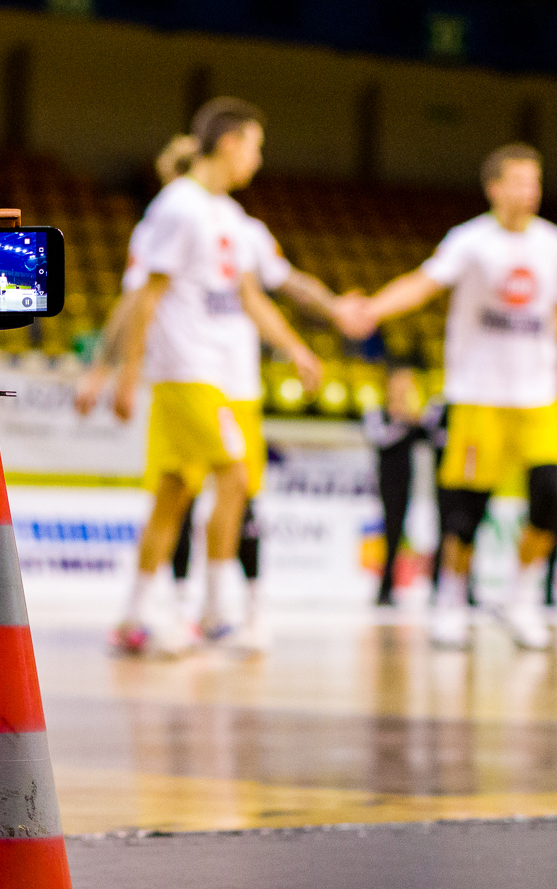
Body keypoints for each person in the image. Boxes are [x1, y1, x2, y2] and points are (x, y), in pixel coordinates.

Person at [80, 131, 332, 646]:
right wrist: (118, 374)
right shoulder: (176, 210)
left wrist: (297, 347)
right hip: (188, 370)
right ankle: (214, 611)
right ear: (228, 145)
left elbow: (253, 294)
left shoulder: (233, 219)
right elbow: (141, 297)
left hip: (230, 377)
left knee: (175, 492)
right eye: (254, 146)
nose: (258, 160)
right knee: (233, 476)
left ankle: (135, 615)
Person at [337, 143, 557, 650]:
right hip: (478, 393)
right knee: (465, 513)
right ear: (494, 188)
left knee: (548, 499)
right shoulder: (470, 241)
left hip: (537, 395)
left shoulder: (555, 243)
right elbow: (424, 284)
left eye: (535, 182)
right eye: (519, 181)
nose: (530, 191)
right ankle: (451, 600)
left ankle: (522, 599)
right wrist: (375, 309)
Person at [362, 365, 448, 606]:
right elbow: (379, 438)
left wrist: (419, 419)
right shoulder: (377, 412)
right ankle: (384, 586)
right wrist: (403, 421)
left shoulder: (417, 418)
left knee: (424, 530)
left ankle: (434, 585)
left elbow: (435, 437)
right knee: (390, 530)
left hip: (411, 481)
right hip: (386, 482)